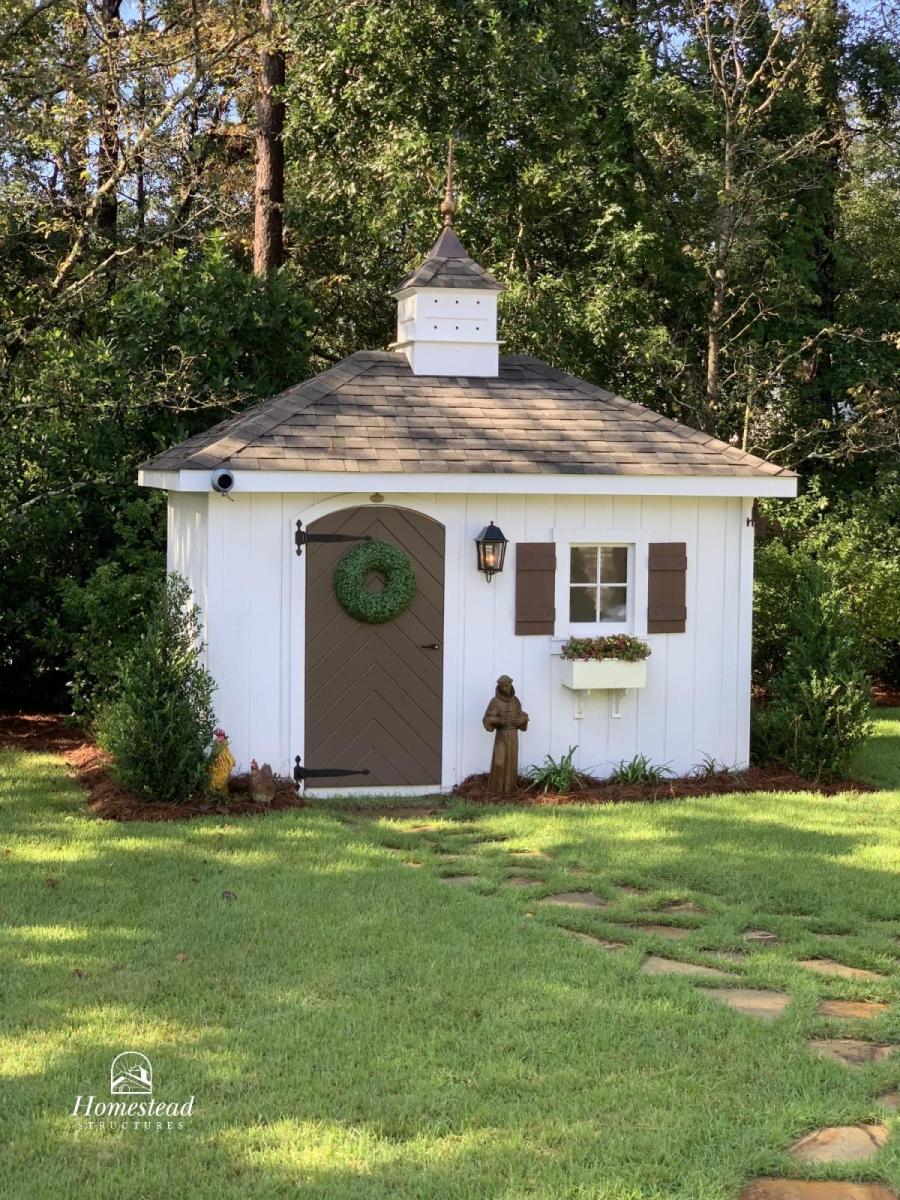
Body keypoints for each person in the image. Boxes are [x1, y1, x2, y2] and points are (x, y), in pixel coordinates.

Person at [482, 676, 529, 795]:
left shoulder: (515, 701)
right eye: (502, 686)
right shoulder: (495, 702)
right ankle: (496, 790)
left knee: (512, 761)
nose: (505, 688)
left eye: (506, 685)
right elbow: (487, 718)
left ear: (511, 685)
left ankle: (510, 789)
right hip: (502, 736)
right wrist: (498, 721)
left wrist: (521, 720)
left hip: (513, 735)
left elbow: (522, 715)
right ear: (498, 686)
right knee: (500, 762)